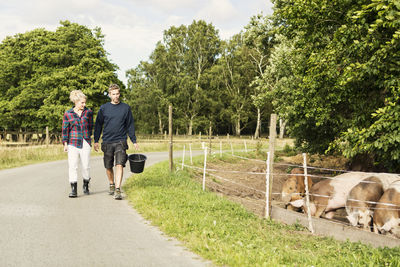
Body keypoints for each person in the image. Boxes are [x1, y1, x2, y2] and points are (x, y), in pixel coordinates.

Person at [94, 84, 139, 200]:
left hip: (121, 141)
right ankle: (111, 184)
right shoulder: (103, 108)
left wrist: (134, 140)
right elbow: (98, 125)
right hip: (107, 141)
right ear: (109, 95)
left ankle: (118, 189)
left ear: (119, 94)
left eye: (117, 94)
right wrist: (96, 140)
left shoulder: (126, 108)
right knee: (108, 166)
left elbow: (130, 125)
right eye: (113, 94)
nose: (116, 96)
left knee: (119, 164)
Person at [62, 90, 93, 198]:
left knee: (86, 166)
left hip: (85, 142)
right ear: (76, 101)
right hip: (73, 142)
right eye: (82, 103)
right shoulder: (68, 114)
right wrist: (65, 143)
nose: (84, 105)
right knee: (73, 166)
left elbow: (90, 127)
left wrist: (89, 138)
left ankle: (86, 185)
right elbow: (65, 129)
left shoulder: (88, 112)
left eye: (85, 103)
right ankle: (73, 189)